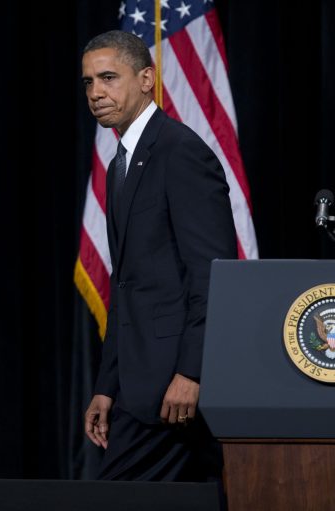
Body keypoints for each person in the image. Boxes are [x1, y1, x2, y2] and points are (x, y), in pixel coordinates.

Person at [82, 30, 237, 482]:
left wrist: (192, 371)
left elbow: (213, 276)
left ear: (147, 77)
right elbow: (127, 287)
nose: (96, 93)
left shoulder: (181, 152)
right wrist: (107, 388)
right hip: (139, 385)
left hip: (176, 386)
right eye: (88, 82)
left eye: (108, 77)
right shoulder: (120, 166)